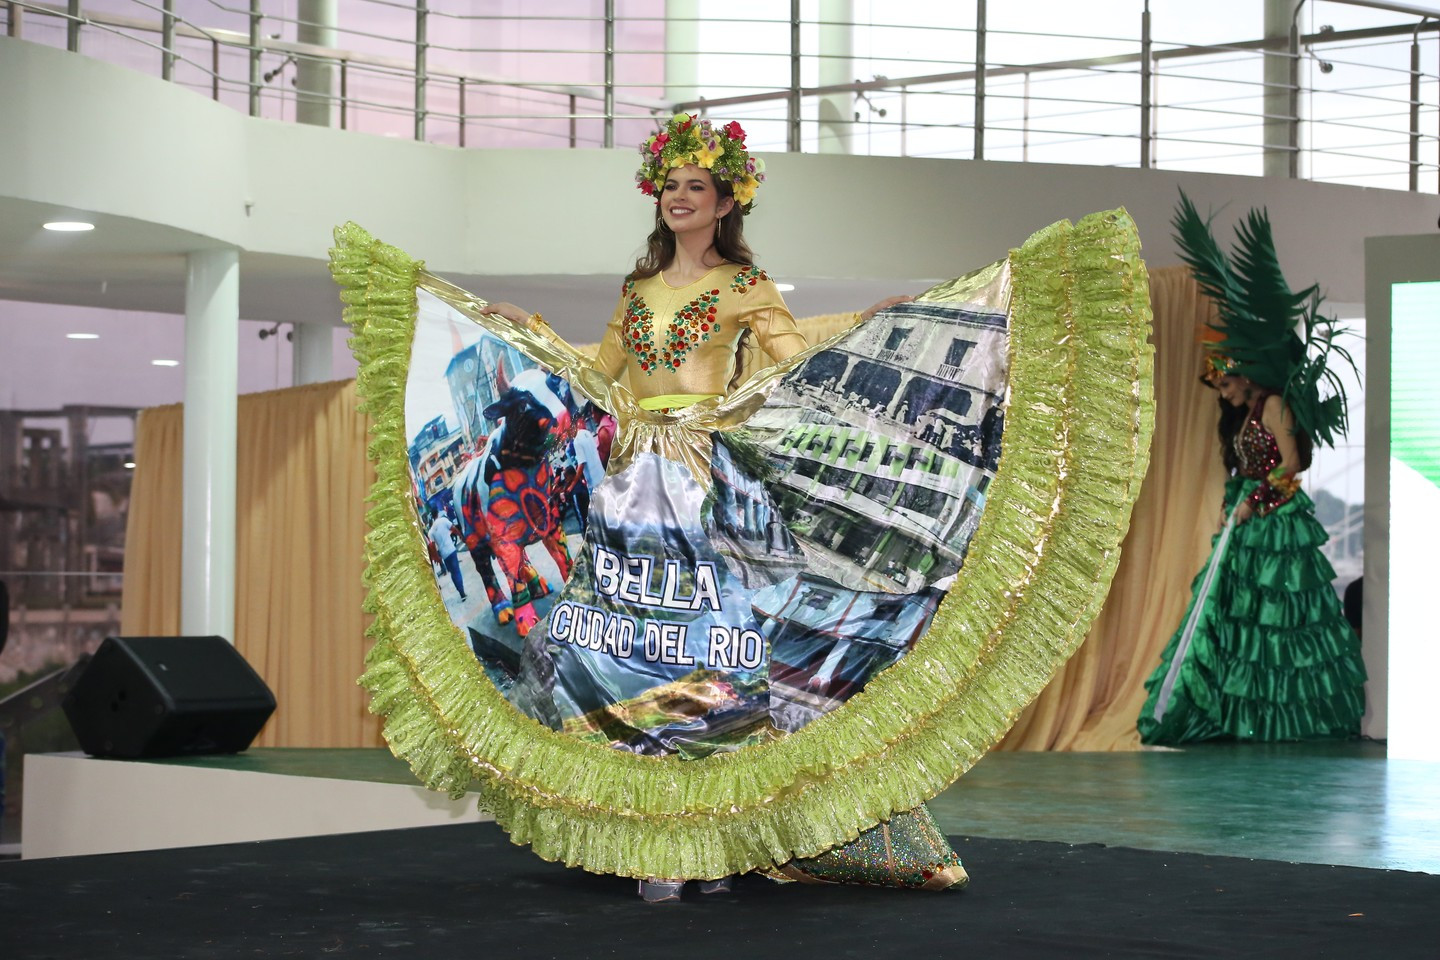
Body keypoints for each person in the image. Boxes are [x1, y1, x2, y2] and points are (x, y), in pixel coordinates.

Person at [330, 116, 1154, 906]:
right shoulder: (639, 288)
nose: (680, 198)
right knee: (635, 655)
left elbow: (795, 371)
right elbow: (606, 376)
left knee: (709, 657)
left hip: (704, 477)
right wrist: (530, 332)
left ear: (727, 203)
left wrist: (874, 327)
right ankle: (656, 843)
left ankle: (716, 837)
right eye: (671, 186)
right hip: (632, 481)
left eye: (697, 186)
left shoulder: (745, 286)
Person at [1137, 195, 1366, 744]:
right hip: (1246, 519)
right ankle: (1239, 715)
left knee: (1278, 615)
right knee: (1240, 615)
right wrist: (1231, 506)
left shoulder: (1273, 407)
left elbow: (1293, 465)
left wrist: (1254, 504)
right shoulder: (1243, 415)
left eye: (1224, 381)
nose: (1222, 390)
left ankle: (1281, 718)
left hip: (1273, 520)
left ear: (1243, 373)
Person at [427, 509, 467, 602]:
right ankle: (462, 592)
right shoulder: (443, 521)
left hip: (444, 555)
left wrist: (437, 557)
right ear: (437, 513)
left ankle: (459, 590)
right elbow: (454, 528)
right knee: (456, 571)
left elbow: (432, 546)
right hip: (451, 550)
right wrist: (461, 536)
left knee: (453, 573)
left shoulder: (431, 531)